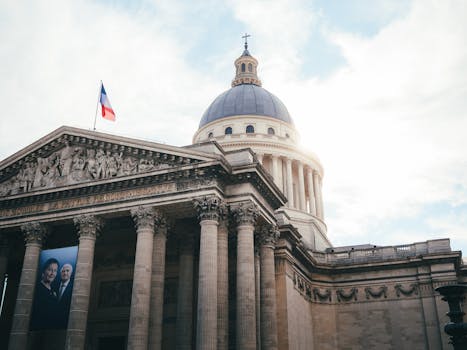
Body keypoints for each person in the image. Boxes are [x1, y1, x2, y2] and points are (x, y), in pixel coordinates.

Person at [30, 258, 59, 330]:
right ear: (44, 271)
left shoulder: (54, 291)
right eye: (49, 270)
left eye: (55, 271)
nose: (52, 273)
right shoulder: (37, 288)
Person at [55, 263, 74, 328]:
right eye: (63, 271)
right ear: (60, 273)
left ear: (71, 273)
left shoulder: (74, 288)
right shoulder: (54, 286)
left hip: (67, 321)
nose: (65, 273)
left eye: (67, 271)